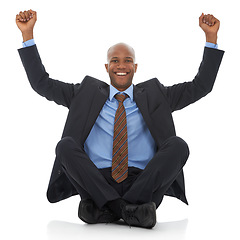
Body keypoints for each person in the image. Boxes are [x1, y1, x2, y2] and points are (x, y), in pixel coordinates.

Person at [16, 9, 224, 229]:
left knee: (178, 146)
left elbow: (201, 86)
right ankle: (128, 211)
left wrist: (211, 38)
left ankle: (106, 210)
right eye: (115, 60)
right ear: (107, 67)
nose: (121, 65)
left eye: (128, 61)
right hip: (96, 181)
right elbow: (41, 83)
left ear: (135, 67)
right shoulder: (84, 93)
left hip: (144, 183)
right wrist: (27, 35)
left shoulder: (157, 95)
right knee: (65, 146)